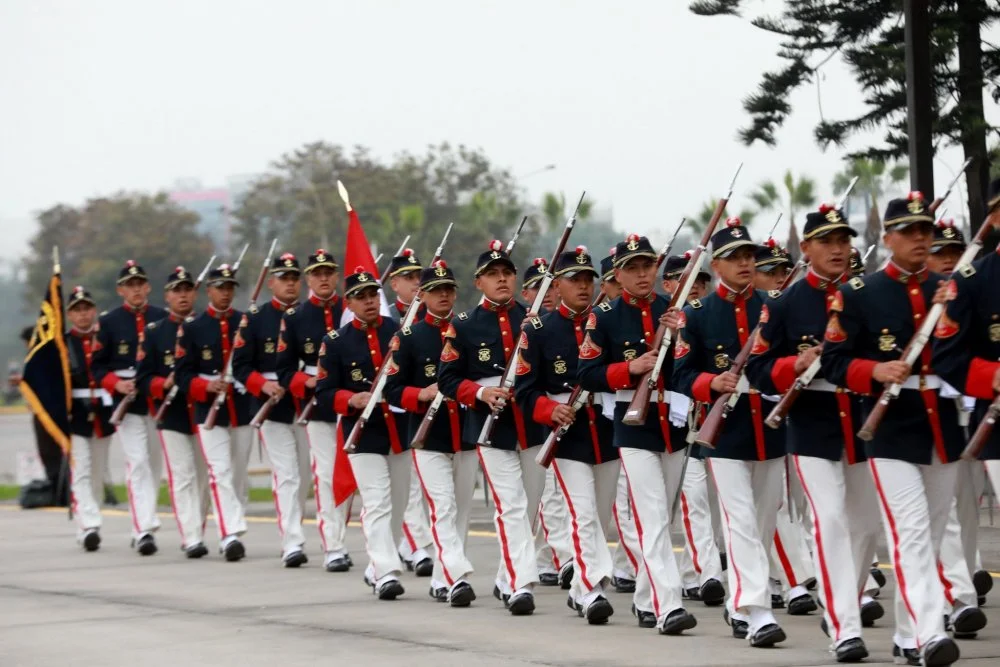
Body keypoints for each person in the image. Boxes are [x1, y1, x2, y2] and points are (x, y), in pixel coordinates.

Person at [822, 192, 972, 666]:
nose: (920, 239)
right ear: (887, 239)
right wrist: (874, 371)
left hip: (942, 424)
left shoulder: (951, 289)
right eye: (909, 232)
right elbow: (835, 360)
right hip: (888, 427)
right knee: (908, 531)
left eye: (925, 231)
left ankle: (908, 636)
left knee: (927, 535)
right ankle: (930, 632)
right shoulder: (858, 294)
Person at [745, 203, 882, 662]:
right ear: (805, 249)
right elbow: (760, 369)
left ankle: (844, 599)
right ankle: (845, 625)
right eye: (827, 241)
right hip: (811, 422)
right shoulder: (783, 304)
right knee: (832, 521)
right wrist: (793, 364)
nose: (838, 249)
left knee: (866, 527)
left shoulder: (867, 294)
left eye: (843, 241)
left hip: (862, 418)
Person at [673, 218, 787, 647]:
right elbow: (683, 374)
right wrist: (711, 383)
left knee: (761, 522)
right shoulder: (699, 314)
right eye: (734, 257)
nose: (744, 263)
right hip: (724, 433)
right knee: (739, 522)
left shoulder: (773, 306)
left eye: (748, 256)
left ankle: (739, 600)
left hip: (769, 428)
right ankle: (758, 612)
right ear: (716, 265)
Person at [578, 233, 699, 635]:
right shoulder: (605, 317)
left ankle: (646, 599)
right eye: (633, 267)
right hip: (632, 426)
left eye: (648, 266)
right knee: (650, 516)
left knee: (662, 516)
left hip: (674, 423)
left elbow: (691, 368)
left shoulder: (674, 310)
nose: (643, 273)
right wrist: (628, 369)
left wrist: (680, 338)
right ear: (618, 274)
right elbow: (587, 373)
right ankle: (668, 605)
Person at [437, 240, 546, 615]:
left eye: (507, 274)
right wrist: (480, 392)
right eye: (492, 275)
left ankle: (506, 576)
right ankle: (520, 585)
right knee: (511, 505)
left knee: (530, 506)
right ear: (479, 282)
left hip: (531, 422)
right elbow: (448, 379)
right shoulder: (463, 325)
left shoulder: (534, 320)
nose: (501, 280)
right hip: (489, 426)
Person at [516, 246, 619, 624]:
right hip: (567, 435)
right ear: (556, 285)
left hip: (605, 429)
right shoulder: (539, 330)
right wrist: (549, 410)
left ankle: (579, 589)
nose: (584, 286)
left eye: (589, 279)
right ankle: (591, 589)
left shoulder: (605, 322)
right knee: (584, 513)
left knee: (602, 514)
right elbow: (524, 390)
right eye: (575, 279)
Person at [384, 259, 477, 606]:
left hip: (464, 433)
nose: (444, 295)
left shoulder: (466, 329)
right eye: (436, 290)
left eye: (449, 289)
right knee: (443, 506)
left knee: (463, 508)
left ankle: (442, 577)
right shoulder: (408, 337)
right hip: (428, 435)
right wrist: (418, 394)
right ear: (422, 295)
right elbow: (391, 389)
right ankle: (456, 576)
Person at [315, 266, 409, 600]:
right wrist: (350, 399)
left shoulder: (400, 332)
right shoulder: (335, 342)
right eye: (361, 297)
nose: (369, 302)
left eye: (373, 295)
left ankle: (375, 565)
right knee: (377, 500)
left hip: (399, 428)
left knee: (399, 502)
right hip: (362, 430)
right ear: (349, 303)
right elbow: (324, 393)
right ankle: (385, 571)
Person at [926, 219, 991, 620]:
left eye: (956, 252)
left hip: (976, 409)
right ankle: (956, 594)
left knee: (968, 507)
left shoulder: (971, 291)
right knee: (944, 509)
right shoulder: (919, 301)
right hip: (939, 413)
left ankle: (964, 576)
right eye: (940, 253)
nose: (949, 260)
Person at [752, 240, 818, 615]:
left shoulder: (790, 311)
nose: (779, 279)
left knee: (789, 505)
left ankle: (783, 579)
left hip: (788, 414)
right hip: (742, 420)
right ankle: (793, 580)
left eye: (783, 271)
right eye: (770, 272)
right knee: (765, 509)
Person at [276, 249, 352, 572]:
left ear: (336, 276)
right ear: (309, 278)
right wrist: (304, 383)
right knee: (325, 474)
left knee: (352, 476)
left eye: (328, 273)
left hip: (351, 401)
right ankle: (333, 545)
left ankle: (344, 537)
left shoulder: (349, 310)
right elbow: (283, 369)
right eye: (317, 273)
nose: (323, 278)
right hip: (319, 404)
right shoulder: (294, 318)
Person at [232, 252, 310, 568]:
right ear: (272, 282)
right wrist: (261, 386)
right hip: (271, 404)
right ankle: (291, 541)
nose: (290, 284)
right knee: (287, 474)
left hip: (304, 403)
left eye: (294, 279)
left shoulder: (308, 316)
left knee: (305, 474)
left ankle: (296, 530)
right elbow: (240, 365)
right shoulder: (255, 318)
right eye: (284, 279)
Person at [660, 253, 727, 605]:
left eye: (700, 281)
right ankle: (708, 572)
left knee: (713, 505)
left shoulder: (711, 320)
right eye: (686, 282)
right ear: (668, 285)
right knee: (695, 499)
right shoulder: (660, 319)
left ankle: (691, 573)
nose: (696, 287)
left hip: (713, 418)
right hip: (678, 424)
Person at [174, 263, 252, 562]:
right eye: (220, 287)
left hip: (241, 408)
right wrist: (205, 387)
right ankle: (229, 533)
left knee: (238, 474)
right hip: (209, 411)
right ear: (209, 291)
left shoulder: (244, 322)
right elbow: (183, 375)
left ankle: (232, 523)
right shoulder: (192, 328)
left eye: (230, 288)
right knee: (219, 472)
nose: (226, 293)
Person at [92, 260, 167, 555]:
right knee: (137, 464)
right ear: (121, 290)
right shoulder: (109, 323)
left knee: (155, 464)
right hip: (128, 402)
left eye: (140, 284)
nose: (136, 290)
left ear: (147, 287)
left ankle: (145, 521)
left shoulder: (162, 317)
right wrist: (116, 384)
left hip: (157, 400)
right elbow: (97, 366)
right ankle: (143, 528)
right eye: (130, 285)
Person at [136, 267, 210, 559]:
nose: (183, 295)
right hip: (172, 412)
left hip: (203, 410)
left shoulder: (204, 327)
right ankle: (190, 536)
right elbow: (143, 377)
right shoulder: (154, 333)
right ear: (167, 296)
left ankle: (198, 527)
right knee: (182, 476)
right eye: (177, 290)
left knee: (204, 477)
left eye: (187, 290)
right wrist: (161, 383)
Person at [520, 257, 575, 588]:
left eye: (549, 285)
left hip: (569, 411)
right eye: (536, 287)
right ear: (527, 293)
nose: (546, 293)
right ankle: (558, 555)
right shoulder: (524, 325)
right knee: (549, 491)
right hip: (539, 413)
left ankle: (556, 556)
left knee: (561, 491)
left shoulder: (563, 323)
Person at [386, 248, 434, 576]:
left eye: (419, 277)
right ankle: (414, 544)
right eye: (409, 277)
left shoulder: (427, 315)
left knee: (423, 482)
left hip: (425, 404)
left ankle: (415, 544)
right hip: (396, 405)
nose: (416, 283)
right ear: (393, 283)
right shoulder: (387, 318)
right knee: (405, 483)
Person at [65, 286, 114, 550]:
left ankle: (86, 524)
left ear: (94, 311)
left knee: (97, 473)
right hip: (76, 415)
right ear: (70, 315)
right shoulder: (63, 343)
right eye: (77, 310)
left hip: (103, 411)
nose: (83, 315)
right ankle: (89, 525)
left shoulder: (104, 337)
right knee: (81, 470)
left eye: (87, 309)